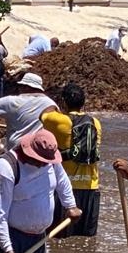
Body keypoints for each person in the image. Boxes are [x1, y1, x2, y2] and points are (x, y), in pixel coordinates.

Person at [41, 82, 102, 237]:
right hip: (90, 187)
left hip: (65, 188)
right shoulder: (95, 123)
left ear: (64, 102)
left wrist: (54, 105)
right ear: (83, 103)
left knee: (58, 238)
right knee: (86, 240)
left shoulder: (58, 121)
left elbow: (42, 114)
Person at [0, 72, 57, 151]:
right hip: (42, 149)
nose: (19, 89)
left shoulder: (12, 101)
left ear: (26, 87)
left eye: (21, 86)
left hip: (18, 150)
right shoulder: (51, 104)